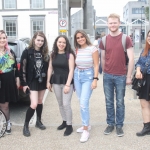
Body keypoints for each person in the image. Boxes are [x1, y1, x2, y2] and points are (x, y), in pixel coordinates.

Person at [99, 13, 134, 137]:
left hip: (121, 76)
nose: (112, 25)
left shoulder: (126, 39)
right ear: (107, 24)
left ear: (119, 23)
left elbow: (131, 58)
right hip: (108, 75)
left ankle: (119, 125)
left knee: (120, 101)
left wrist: (128, 76)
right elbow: (102, 58)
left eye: (115, 22)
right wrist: (104, 72)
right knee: (108, 102)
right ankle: (110, 124)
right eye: (110, 23)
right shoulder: (103, 40)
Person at [20, 31, 49, 137]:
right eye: (38, 40)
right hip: (32, 81)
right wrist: (24, 83)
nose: (40, 42)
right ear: (34, 40)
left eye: (42, 40)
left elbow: (48, 67)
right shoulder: (27, 52)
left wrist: (49, 81)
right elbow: (22, 68)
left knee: (40, 101)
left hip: (42, 80)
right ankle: (26, 125)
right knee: (34, 104)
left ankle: (38, 121)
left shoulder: (45, 52)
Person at [47, 35, 75, 136]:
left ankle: (69, 125)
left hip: (67, 82)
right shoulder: (53, 54)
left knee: (66, 104)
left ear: (66, 44)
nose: (61, 44)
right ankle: (64, 121)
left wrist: (67, 84)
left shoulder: (69, 55)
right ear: (56, 42)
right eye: (59, 42)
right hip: (56, 82)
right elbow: (50, 68)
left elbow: (72, 69)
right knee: (60, 103)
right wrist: (48, 81)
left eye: (63, 42)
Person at [74, 30, 99, 142]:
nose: (80, 39)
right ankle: (86, 125)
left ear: (85, 37)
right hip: (77, 75)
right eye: (78, 38)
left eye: (82, 37)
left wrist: (95, 79)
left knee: (84, 103)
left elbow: (96, 65)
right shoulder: (77, 50)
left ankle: (85, 130)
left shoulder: (92, 49)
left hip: (88, 76)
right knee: (81, 101)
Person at [0, 30, 20, 134]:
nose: (2, 40)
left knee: (5, 105)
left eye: (4, 38)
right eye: (0, 38)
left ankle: (7, 123)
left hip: (8, 81)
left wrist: (17, 78)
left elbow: (15, 66)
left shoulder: (10, 52)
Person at [135, 30, 150, 137]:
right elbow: (139, 62)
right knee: (144, 104)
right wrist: (138, 70)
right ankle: (146, 127)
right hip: (145, 79)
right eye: (149, 36)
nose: (149, 38)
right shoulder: (145, 50)